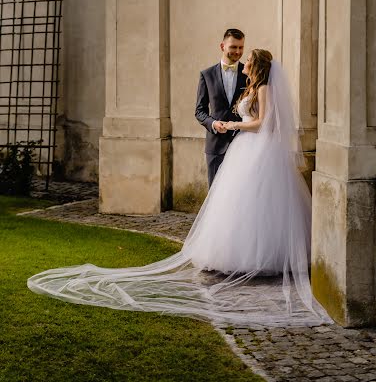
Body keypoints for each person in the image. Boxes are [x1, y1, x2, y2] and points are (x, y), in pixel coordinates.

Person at [27, 50, 332, 328]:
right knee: (237, 205)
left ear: (258, 66)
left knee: (260, 204)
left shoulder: (263, 88)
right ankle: (236, 256)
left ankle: (264, 258)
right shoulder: (251, 86)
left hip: (258, 150)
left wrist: (235, 126)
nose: (245, 63)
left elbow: (264, 123)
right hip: (245, 150)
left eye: (249, 60)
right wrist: (226, 125)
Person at [195, 29, 248, 187]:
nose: (238, 51)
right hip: (216, 145)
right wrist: (213, 124)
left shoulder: (249, 74)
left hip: (243, 145)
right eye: (233, 47)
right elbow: (200, 111)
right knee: (215, 194)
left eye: (241, 47)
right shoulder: (207, 75)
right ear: (222, 46)